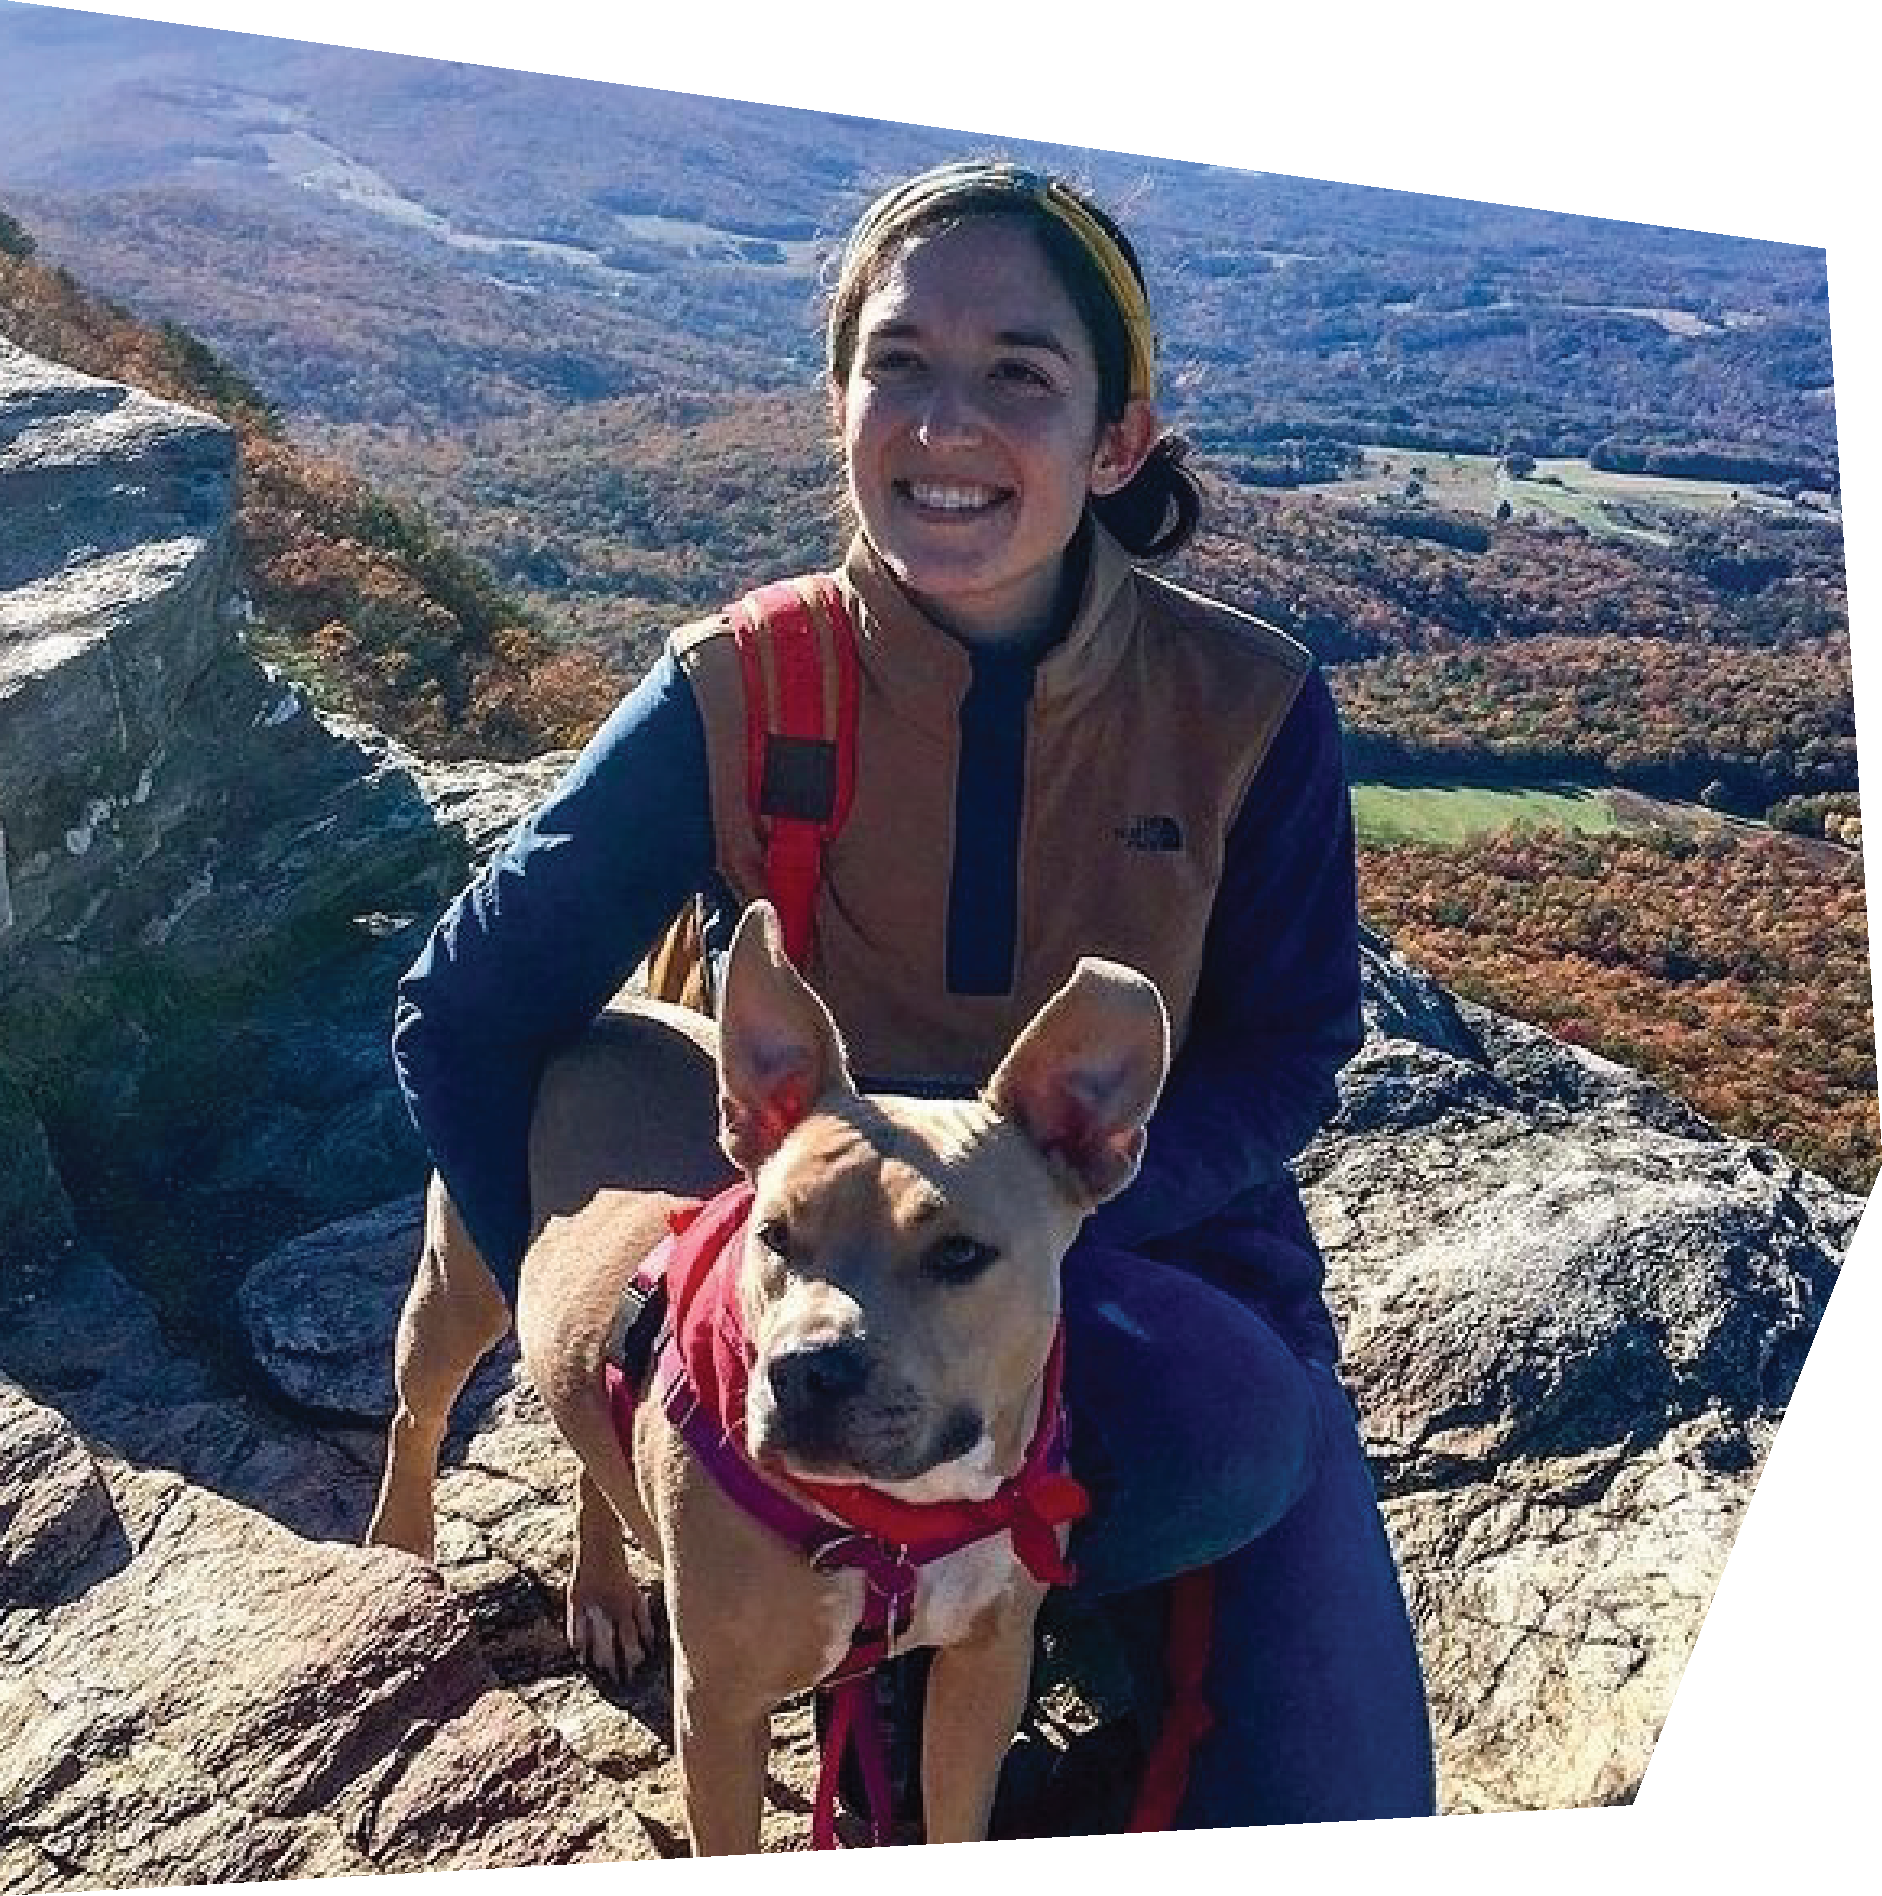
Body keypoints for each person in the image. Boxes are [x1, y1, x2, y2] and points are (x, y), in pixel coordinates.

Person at [391, 157, 1435, 1831]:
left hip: (1140, 1257)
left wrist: (1055, 1203)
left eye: (1016, 373)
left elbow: (1292, 1042)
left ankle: (1019, 1592)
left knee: (1330, 1780)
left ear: (1115, 439)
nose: (945, 425)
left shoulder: (1241, 706)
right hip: (816, 1268)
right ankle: (924, 1622)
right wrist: (615, 1356)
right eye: (899, 363)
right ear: (837, 399)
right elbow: (467, 1011)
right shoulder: (743, 683)